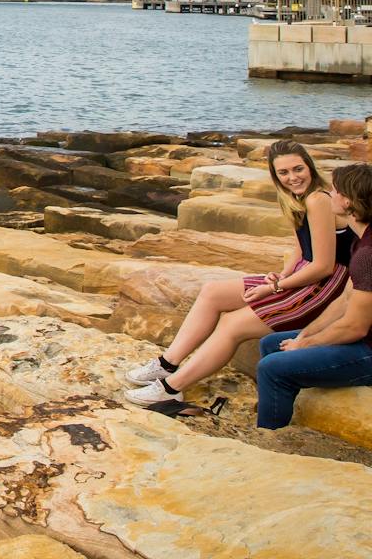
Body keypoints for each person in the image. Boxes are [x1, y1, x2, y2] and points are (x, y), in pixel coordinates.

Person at [124, 140, 352, 407]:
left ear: (310, 167)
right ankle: (167, 364)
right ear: (275, 175)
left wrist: (275, 288)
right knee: (212, 292)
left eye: (298, 169)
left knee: (232, 324)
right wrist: (280, 276)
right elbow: (302, 249)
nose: (293, 177)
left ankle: (171, 388)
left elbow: (323, 265)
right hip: (304, 276)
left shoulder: (318, 199)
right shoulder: (295, 197)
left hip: (325, 286)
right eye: (284, 172)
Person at [254, 162, 372, 429]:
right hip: (363, 339)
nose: (330, 193)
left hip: (368, 351)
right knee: (272, 344)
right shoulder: (360, 241)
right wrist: (305, 335)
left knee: (272, 368)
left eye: (335, 190)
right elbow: (343, 301)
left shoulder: (367, 256)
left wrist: (304, 346)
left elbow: (354, 326)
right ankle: (279, 410)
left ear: (349, 201)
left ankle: (270, 440)